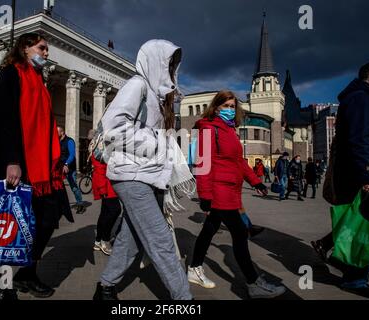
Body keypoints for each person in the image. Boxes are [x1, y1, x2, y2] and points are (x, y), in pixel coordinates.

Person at [93, 39, 192, 300]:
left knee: (133, 237)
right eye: (167, 62)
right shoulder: (137, 85)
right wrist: (158, 143)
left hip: (148, 175)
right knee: (160, 240)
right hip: (130, 175)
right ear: (155, 61)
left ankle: (105, 286)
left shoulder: (159, 96)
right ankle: (184, 300)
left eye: (174, 64)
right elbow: (113, 127)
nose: (170, 68)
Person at [0, 33, 72, 300]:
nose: (46, 52)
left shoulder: (39, 82)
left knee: (47, 219)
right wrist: (12, 161)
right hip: (14, 165)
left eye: (47, 48)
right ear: (25, 47)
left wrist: (56, 161)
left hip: (42, 169)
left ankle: (27, 274)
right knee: (6, 225)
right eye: (42, 47)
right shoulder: (10, 75)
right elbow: (3, 120)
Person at [188, 90, 286, 298]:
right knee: (240, 232)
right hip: (219, 189)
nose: (230, 110)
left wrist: (256, 181)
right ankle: (253, 283)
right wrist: (204, 194)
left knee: (209, 229)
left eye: (233, 107)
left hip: (232, 189)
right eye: (226, 106)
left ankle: (194, 268)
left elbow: (239, 162)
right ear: (216, 107)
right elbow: (202, 163)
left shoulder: (229, 130)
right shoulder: (208, 128)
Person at [325, 61, 369, 299]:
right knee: (363, 227)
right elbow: (360, 139)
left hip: (363, 172)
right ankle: (355, 279)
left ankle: (353, 271)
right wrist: (368, 175)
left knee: (360, 226)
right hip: (364, 175)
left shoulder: (365, 98)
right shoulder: (362, 99)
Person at [91, 154, 123, 256]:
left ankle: (98, 241)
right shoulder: (101, 145)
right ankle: (105, 240)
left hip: (108, 183)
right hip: (106, 184)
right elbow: (99, 167)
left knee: (105, 212)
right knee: (115, 210)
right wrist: (102, 188)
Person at [57, 126, 86, 214]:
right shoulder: (58, 142)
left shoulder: (69, 141)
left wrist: (66, 164)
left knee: (73, 187)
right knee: (58, 187)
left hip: (70, 168)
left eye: (57, 132)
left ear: (62, 132)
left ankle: (80, 204)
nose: (55, 134)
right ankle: (60, 206)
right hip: (60, 168)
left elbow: (72, 155)